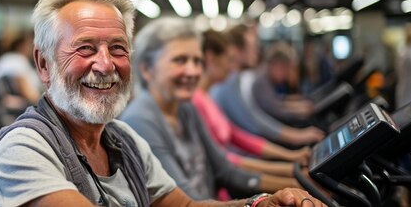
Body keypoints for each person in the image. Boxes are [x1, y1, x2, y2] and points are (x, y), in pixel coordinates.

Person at [0, 0, 324, 207]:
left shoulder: (124, 140)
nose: (105, 64)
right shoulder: (23, 150)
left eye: (117, 48)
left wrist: (260, 203)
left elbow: (185, 205)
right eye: (84, 48)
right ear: (43, 65)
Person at [121, 17, 304, 201]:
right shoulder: (140, 120)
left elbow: (226, 171)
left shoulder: (186, 108)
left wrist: (299, 184)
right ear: (146, 69)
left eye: (197, 61)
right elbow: (188, 201)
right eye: (180, 60)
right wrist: (261, 202)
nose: (193, 71)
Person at [194, 30, 311, 174]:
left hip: (238, 165)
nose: (231, 67)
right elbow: (227, 157)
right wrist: (290, 168)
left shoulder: (209, 95)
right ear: (211, 58)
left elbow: (236, 135)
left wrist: (291, 157)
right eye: (229, 60)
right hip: (235, 170)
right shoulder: (207, 95)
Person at [211, 25, 324, 148]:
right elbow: (254, 121)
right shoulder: (228, 82)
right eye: (253, 46)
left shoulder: (235, 79)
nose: (257, 51)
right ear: (237, 50)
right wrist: (297, 136)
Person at [251, 41, 315, 125]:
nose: (286, 76)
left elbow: (275, 100)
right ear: (278, 65)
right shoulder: (261, 80)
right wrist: (299, 110)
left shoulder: (264, 75)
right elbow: (275, 110)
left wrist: (294, 102)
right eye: (285, 70)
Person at [0, 28, 42, 104]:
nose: (34, 48)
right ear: (21, 45)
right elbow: (28, 93)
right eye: (31, 44)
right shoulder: (16, 60)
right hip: (17, 110)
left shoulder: (10, 58)